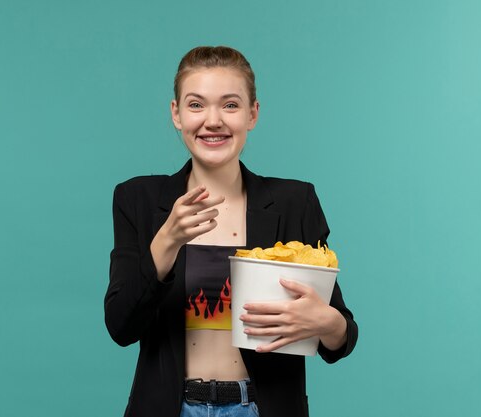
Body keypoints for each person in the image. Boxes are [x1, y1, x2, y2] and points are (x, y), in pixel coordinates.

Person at [104, 46, 358, 417]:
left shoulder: (294, 202)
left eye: (230, 105)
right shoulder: (138, 200)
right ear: (176, 114)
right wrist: (167, 239)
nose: (213, 120)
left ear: (252, 114)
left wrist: (327, 323)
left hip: (261, 407)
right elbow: (121, 326)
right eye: (195, 105)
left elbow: (340, 336)